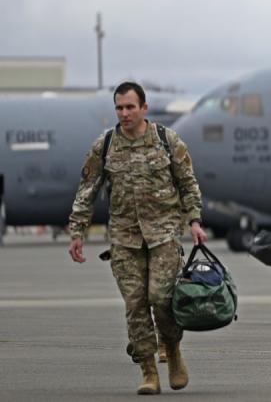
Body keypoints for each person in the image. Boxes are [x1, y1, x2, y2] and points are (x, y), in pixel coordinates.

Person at [67, 82, 206, 395]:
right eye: (119, 107)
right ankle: (148, 371)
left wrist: (195, 221)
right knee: (135, 305)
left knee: (162, 298)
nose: (124, 113)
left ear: (144, 107)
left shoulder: (167, 140)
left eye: (130, 107)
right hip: (125, 238)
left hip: (164, 234)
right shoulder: (104, 145)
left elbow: (188, 184)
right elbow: (86, 192)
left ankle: (172, 349)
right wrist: (77, 232)